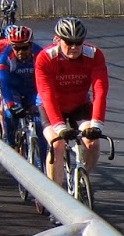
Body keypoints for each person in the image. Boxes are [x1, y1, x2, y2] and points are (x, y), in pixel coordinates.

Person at [34, 17, 109, 186]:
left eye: (78, 42)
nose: (74, 47)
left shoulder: (94, 55)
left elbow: (100, 91)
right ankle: (56, 197)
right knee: (57, 145)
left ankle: (81, 181)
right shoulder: (45, 58)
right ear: (58, 39)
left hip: (79, 105)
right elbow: (47, 95)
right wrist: (60, 127)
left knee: (93, 143)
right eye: (69, 42)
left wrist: (97, 124)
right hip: (52, 106)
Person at [0, 25, 43, 161]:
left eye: (24, 48)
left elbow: (46, 81)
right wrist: (10, 104)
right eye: (16, 48)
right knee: (10, 114)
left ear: (31, 45)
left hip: (33, 90)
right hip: (13, 89)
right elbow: (4, 82)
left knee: (40, 125)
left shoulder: (40, 54)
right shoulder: (5, 57)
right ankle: (11, 143)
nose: (20, 52)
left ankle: (44, 164)